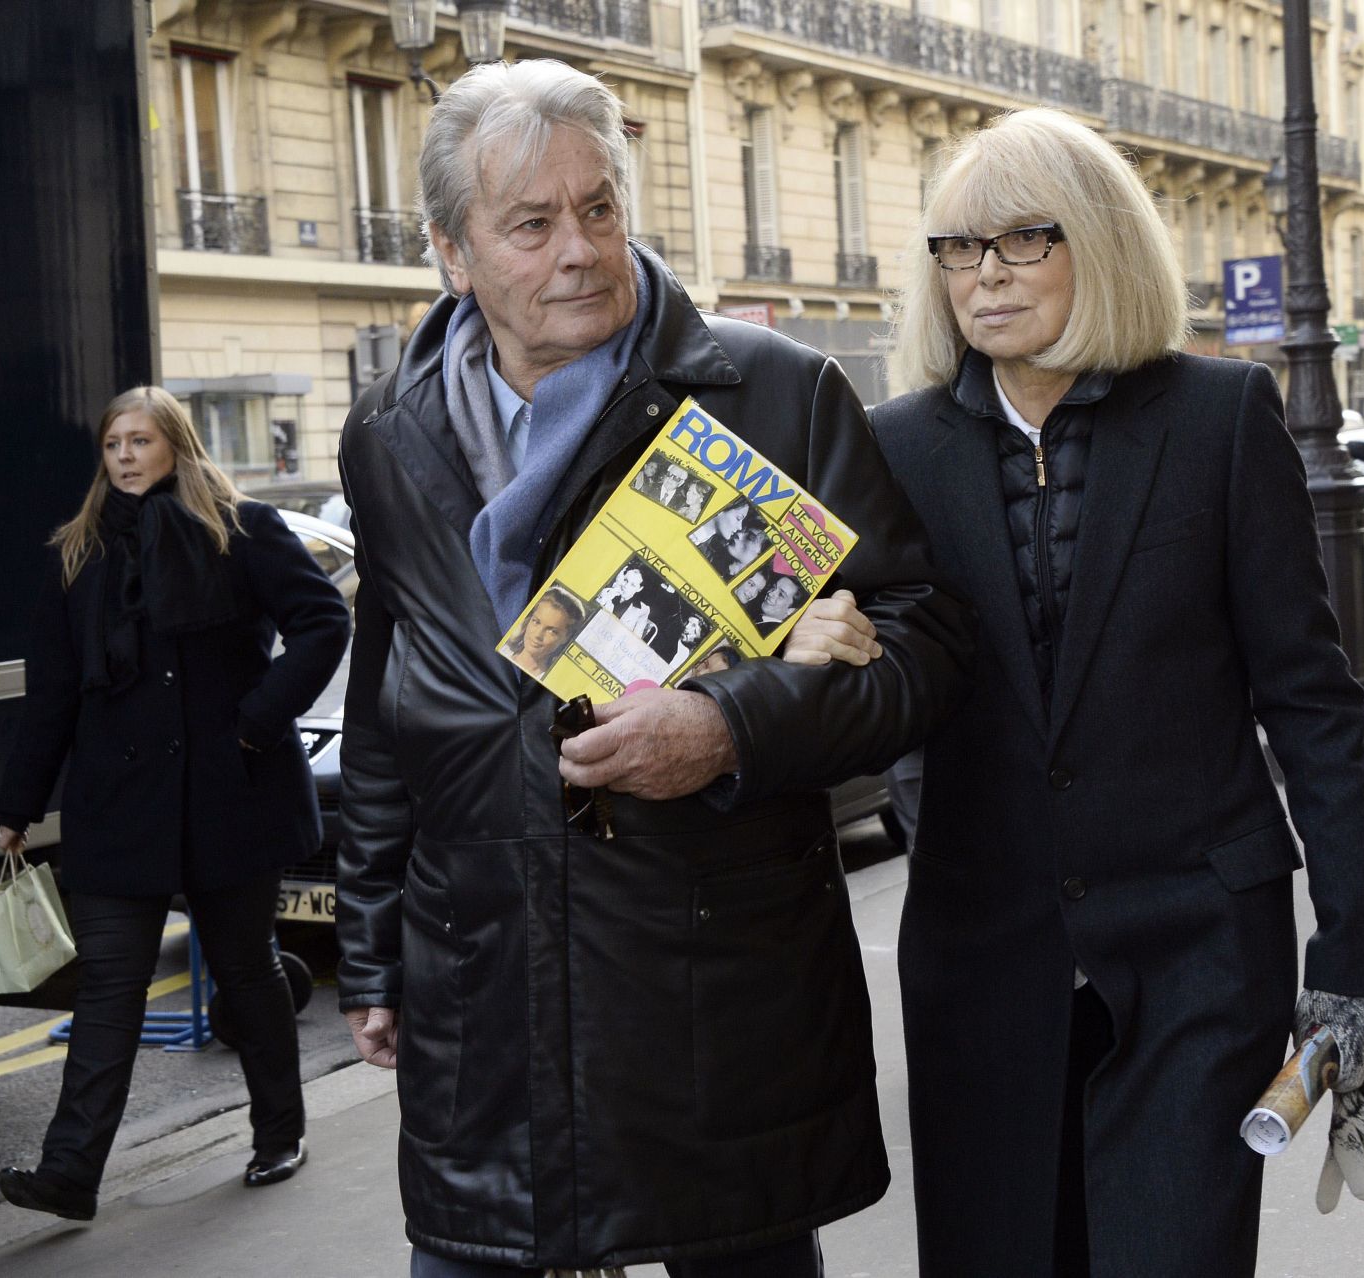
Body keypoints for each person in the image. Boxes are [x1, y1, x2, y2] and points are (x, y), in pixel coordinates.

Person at [334, 58, 974, 1277]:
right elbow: (388, 700)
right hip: (486, 988)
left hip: (709, 989)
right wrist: (370, 945)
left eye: (599, 209)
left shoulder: (769, 391)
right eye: (530, 223)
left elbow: (927, 641)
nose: (578, 249)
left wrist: (734, 726)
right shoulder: (389, 429)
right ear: (452, 254)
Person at [786, 108, 1364, 1276]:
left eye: (1025, 241)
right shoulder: (892, 449)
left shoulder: (1220, 419)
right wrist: (819, 663)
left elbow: (1314, 708)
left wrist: (1361, 961)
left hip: (1199, 954)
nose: (985, 275)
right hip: (983, 957)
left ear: (1100, 243)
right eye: (958, 248)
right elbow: (881, 710)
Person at [0, 386, 349, 1221]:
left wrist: (257, 721)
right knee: (108, 988)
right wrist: (19, 802)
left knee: (246, 971)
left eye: (139, 440)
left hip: (230, 793)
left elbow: (323, 620)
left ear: (176, 446)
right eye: (112, 442)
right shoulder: (76, 553)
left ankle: (279, 1132)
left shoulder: (242, 530)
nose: (122, 455)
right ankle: (70, 1172)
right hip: (119, 805)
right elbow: (50, 693)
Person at [503, 585, 586, 676]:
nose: (538, 635)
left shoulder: (550, 680)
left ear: (566, 637)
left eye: (552, 631)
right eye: (536, 622)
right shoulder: (502, 650)